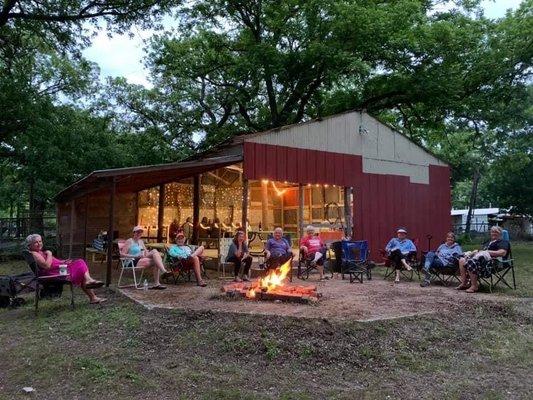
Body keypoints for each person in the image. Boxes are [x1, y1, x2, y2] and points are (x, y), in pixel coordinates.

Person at [26, 234, 106, 304]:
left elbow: (53, 262)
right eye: (36, 242)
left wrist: (64, 261)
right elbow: (46, 266)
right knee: (80, 263)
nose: (39, 243)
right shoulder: (35, 254)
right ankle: (91, 289)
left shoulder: (39, 252)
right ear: (30, 245)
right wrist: (50, 254)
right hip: (55, 274)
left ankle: (92, 295)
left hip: (59, 269)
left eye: (40, 241)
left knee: (80, 265)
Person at [456, 226, 510, 293]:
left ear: (500, 234)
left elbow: (502, 253)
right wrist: (474, 253)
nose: (493, 233)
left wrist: (487, 252)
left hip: (493, 263)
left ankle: (474, 286)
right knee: (462, 260)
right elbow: (481, 252)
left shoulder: (503, 242)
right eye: (492, 232)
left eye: (496, 232)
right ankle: (464, 283)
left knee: (471, 262)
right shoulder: (488, 242)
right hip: (481, 260)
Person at [122, 226, 170, 290]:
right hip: (132, 261)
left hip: (141, 258)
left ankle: (158, 281)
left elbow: (145, 252)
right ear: (134, 233)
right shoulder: (129, 241)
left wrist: (151, 253)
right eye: (137, 232)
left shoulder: (141, 241)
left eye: (141, 232)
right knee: (156, 261)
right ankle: (163, 272)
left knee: (155, 251)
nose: (139, 233)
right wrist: (135, 256)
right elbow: (122, 254)